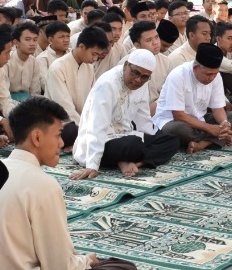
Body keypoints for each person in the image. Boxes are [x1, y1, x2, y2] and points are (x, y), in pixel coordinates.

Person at [0, 97, 140, 270]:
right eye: (58, 135)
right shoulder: (43, 184)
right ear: (37, 137)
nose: (61, 143)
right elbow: (59, 268)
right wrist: (86, 260)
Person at [70, 49, 179, 178]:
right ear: (126, 65)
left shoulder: (142, 83)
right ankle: (124, 159)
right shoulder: (107, 84)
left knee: (172, 140)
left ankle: (136, 163)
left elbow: (143, 116)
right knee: (134, 144)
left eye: (144, 77)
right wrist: (92, 165)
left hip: (126, 135)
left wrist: (153, 140)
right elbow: (96, 126)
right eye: (135, 73)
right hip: (104, 141)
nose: (138, 80)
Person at [153, 43, 232, 152]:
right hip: (173, 121)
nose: (212, 78)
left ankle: (202, 144)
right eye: (208, 74)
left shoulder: (215, 76)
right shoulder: (178, 76)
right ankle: (216, 139)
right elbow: (178, 116)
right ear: (195, 68)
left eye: (215, 74)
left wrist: (224, 124)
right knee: (181, 130)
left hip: (200, 120)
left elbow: (217, 108)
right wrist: (210, 129)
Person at [42, 25, 109, 149]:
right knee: (71, 131)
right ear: (82, 47)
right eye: (93, 54)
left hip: (81, 122)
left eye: (97, 56)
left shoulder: (88, 67)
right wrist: (88, 128)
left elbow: (91, 101)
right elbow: (64, 108)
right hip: (62, 123)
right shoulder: (58, 68)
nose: (94, 59)